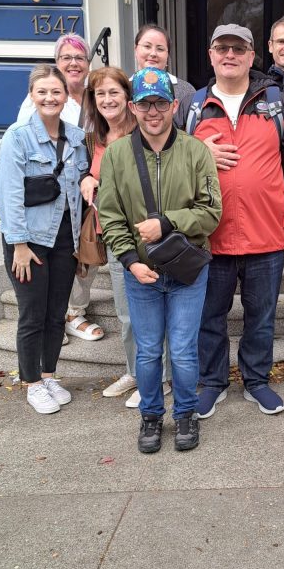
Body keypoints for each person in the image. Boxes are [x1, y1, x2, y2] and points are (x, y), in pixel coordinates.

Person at [181, 23, 284, 419]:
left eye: (239, 49)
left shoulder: (275, 103)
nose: (230, 55)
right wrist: (195, 149)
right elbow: (167, 163)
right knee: (210, 318)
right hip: (210, 237)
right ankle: (213, 382)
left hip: (266, 234)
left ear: (253, 56)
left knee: (261, 317)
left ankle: (256, 381)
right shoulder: (193, 108)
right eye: (222, 48)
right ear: (211, 54)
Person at [97, 68, 222, 454]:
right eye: (145, 103)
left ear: (174, 105)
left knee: (183, 349)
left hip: (187, 270)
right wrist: (131, 260)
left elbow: (211, 212)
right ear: (133, 107)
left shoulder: (195, 150)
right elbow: (111, 215)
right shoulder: (117, 154)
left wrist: (167, 222)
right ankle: (151, 416)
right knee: (148, 350)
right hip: (142, 272)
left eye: (161, 103)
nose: (154, 112)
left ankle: (185, 413)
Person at [0, 64, 88, 414]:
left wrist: (80, 247)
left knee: (55, 313)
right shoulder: (17, 136)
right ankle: (32, 382)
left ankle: (49, 374)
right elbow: (8, 193)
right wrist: (18, 244)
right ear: (32, 96)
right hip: (29, 241)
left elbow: (77, 192)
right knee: (32, 315)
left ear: (66, 96)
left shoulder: (76, 138)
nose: (50, 98)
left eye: (56, 92)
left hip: (65, 239)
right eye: (42, 92)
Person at [75, 67, 143, 399]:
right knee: (126, 314)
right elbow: (94, 175)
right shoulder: (97, 138)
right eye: (100, 94)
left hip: (143, 238)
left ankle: (157, 378)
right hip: (113, 237)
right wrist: (88, 178)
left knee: (147, 312)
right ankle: (134, 372)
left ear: (128, 97)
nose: (107, 100)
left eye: (113, 92)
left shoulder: (144, 131)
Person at [17, 34, 90, 126]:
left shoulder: (98, 96)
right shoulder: (40, 97)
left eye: (80, 58)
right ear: (57, 62)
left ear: (88, 63)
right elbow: (23, 135)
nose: (74, 63)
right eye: (66, 58)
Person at [134, 23, 196, 113]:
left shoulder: (186, 91)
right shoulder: (124, 88)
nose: (153, 53)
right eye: (147, 46)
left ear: (167, 55)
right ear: (136, 50)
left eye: (160, 49)